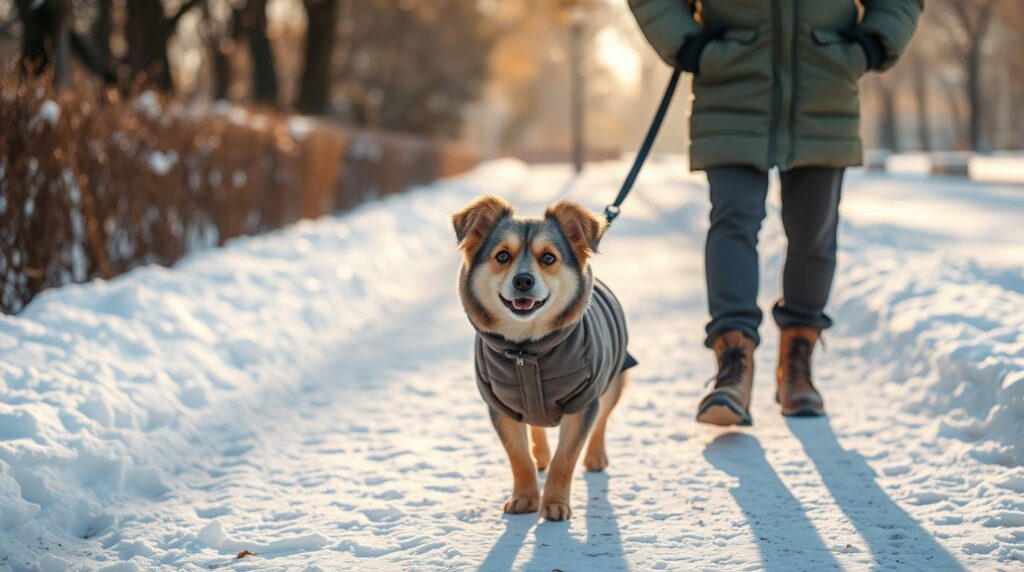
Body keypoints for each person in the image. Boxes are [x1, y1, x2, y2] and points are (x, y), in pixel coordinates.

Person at [627, 0, 922, 426]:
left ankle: (796, 361)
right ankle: (733, 364)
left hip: (824, 86)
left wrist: (873, 44)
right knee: (733, 219)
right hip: (731, 84)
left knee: (814, 231)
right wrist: (688, 45)